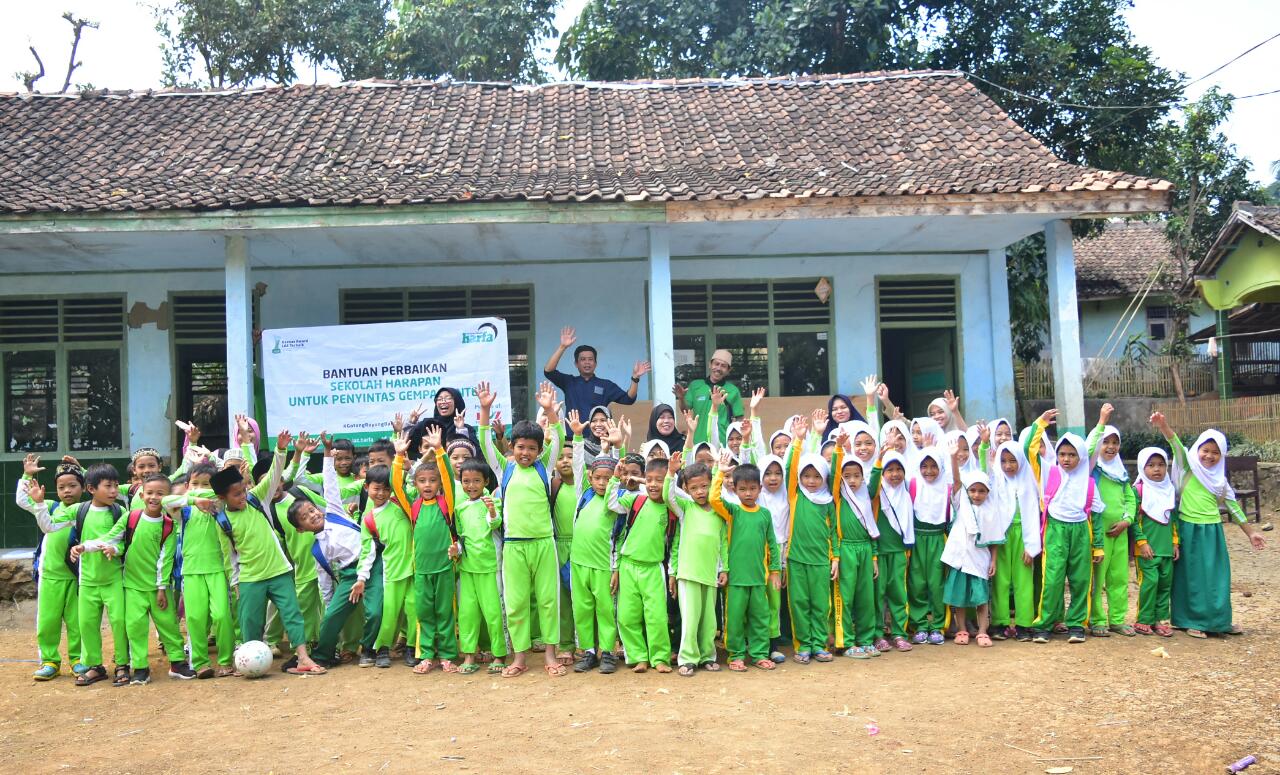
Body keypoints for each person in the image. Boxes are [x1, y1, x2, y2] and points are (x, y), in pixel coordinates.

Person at [209, 430, 325, 674]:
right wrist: (236, 583)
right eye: (237, 494)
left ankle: (303, 657)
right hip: (250, 578)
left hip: (280, 571)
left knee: (292, 614)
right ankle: (249, 663)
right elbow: (229, 556)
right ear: (222, 497)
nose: (243, 496)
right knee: (250, 622)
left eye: (243, 490)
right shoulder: (223, 520)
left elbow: (273, 477)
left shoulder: (256, 500)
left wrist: (281, 451)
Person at [478, 380, 566, 677]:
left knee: (547, 600)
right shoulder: (505, 469)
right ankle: (519, 658)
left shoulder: (544, 467)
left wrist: (550, 411)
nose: (525, 452)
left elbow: (561, 437)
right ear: (512, 448)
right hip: (514, 546)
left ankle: (551, 656)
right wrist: (485, 410)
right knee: (515, 604)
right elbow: (485, 442)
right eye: (520, 447)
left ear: (540, 450)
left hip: (544, 544)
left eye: (531, 448)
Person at [1151, 413, 1266, 637]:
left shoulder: (1219, 481)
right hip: (1188, 528)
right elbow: (1175, 444)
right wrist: (1164, 425)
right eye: (1205, 450)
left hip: (1212, 531)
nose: (1209, 456)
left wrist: (1251, 533)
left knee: (1217, 578)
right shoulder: (1188, 467)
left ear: (1222, 456)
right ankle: (1193, 621)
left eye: (1215, 452)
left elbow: (1233, 507)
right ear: (1197, 450)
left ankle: (1219, 621)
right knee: (1192, 578)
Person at [77, 473, 193, 683]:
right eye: (149, 493)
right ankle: (140, 668)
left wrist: (160, 588)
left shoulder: (168, 525)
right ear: (141, 494)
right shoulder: (131, 517)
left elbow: (165, 560)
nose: (154, 497)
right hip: (132, 586)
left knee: (168, 624)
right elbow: (109, 538)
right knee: (135, 627)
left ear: (167, 498)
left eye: (160, 494)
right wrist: (85, 547)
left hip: (159, 589)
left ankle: (177, 663)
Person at [306, 434, 385, 669]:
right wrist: (334, 606)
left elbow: (330, 484)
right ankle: (323, 655)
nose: (312, 515)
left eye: (311, 510)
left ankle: (369, 649)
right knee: (331, 617)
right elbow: (325, 583)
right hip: (350, 575)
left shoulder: (335, 513)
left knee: (375, 611)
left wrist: (328, 453)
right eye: (305, 518)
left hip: (372, 565)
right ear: (302, 529)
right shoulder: (317, 549)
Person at [1028, 410, 1104, 644]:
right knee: (1052, 579)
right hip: (1056, 531)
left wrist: (1098, 546)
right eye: (1062, 454)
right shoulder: (1048, 472)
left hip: (1081, 531)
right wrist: (1040, 424)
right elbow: (1029, 450)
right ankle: (1044, 625)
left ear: (1081, 457)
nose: (1067, 459)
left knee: (1081, 580)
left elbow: (1097, 516)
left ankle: (1077, 624)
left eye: (1072, 454)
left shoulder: (1089, 482)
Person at [392, 427, 460, 673]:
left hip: (444, 569)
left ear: (439, 483)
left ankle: (449, 655)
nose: (428, 484)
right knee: (425, 614)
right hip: (421, 570)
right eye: (422, 481)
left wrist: (440, 450)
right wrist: (399, 456)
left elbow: (450, 478)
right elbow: (395, 485)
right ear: (417, 484)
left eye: (432, 481)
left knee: (445, 613)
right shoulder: (414, 507)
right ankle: (427, 655)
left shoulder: (446, 503)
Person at [163, 461, 236, 678]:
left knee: (222, 616)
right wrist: (195, 500)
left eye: (206, 484)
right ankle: (201, 662)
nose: (201, 488)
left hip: (218, 570)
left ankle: (225, 661)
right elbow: (166, 500)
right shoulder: (183, 510)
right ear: (187, 486)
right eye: (195, 483)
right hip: (191, 571)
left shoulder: (220, 506)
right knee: (195, 618)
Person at [16, 457, 87, 681]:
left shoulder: (86, 510)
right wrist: (27, 475)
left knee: (78, 622)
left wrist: (83, 469)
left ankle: (78, 660)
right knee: (48, 620)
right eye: (61, 487)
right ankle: (49, 661)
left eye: (72, 485)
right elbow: (21, 500)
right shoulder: (49, 506)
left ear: (83, 487)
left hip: (77, 577)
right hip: (50, 576)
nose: (67, 491)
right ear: (55, 490)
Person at [709, 457, 782, 671]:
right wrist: (720, 474)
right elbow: (714, 500)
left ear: (760, 488)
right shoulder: (734, 511)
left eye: (752, 488)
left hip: (759, 578)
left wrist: (775, 571)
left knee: (760, 618)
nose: (748, 493)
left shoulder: (765, 514)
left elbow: (772, 544)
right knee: (735, 620)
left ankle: (759, 654)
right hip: (736, 579)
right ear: (736, 489)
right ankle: (736, 655)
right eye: (742, 489)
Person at [607, 455, 676, 673]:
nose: (654, 485)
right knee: (627, 616)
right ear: (644, 479)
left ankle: (660, 658)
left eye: (659, 480)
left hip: (653, 568)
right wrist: (615, 479)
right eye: (650, 479)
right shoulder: (636, 499)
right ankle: (638, 657)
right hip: (628, 566)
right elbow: (612, 503)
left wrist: (671, 476)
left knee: (656, 617)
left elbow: (673, 543)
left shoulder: (671, 507)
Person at [567, 410, 622, 674]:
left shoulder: (615, 502)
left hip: (603, 566)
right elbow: (579, 467)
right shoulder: (584, 495)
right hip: (579, 564)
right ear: (590, 478)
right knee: (582, 608)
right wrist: (577, 438)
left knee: (605, 610)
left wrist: (617, 449)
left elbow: (619, 475)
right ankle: (588, 650)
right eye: (597, 478)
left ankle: (609, 652)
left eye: (607, 479)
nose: (602, 482)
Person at [67, 464, 130, 686]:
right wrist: (37, 503)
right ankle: (95, 666)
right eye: (108, 486)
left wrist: (116, 549)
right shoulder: (80, 511)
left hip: (114, 579)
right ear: (91, 488)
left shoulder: (120, 512)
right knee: (87, 623)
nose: (114, 491)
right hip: (87, 581)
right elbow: (49, 523)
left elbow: (125, 542)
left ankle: (123, 663)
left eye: (115, 486)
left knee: (120, 621)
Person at [782, 417, 838, 664]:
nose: (812, 481)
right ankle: (803, 644)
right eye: (807, 476)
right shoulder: (795, 495)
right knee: (799, 604)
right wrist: (799, 440)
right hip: (796, 559)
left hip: (820, 561)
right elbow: (790, 469)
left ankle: (819, 643)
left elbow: (834, 533)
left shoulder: (828, 502)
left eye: (817, 476)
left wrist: (835, 557)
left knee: (820, 605)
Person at [668, 453, 728, 676]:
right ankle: (687, 657)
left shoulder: (718, 512)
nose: (700, 491)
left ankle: (707, 656)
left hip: (710, 573)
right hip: (688, 573)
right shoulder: (686, 509)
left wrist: (724, 568)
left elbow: (723, 543)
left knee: (709, 620)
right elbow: (669, 495)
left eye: (705, 486)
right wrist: (671, 473)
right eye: (695, 488)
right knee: (690, 618)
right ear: (687, 489)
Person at [1085, 403, 1137, 637]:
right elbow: (1087, 450)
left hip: (1121, 533)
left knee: (1119, 578)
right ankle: (1096, 620)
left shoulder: (1121, 471)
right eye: (1106, 442)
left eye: (1115, 443)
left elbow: (1130, 498)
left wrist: (1127, 520)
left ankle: (1117, 619)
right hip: (1099, 533)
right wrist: (1101, 422)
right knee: (1098, 579)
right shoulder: (1092, 468)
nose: (1111, 447)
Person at [452, 456, 507, 674]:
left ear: (485, 481)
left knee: (494, 612)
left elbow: (496, 523)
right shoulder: (460, 509)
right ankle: (468, 656)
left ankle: (499, 655)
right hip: (467, 569)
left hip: (490, 567)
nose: (471, 486)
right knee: (467, 614)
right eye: (466, 481)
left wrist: (492, 510)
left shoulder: (493, 502)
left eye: (476, 481)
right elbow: (461, 539)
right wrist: (455, 550)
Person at [829, 438, 881, 659]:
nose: (852, 480)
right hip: (846, 550)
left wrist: (875, 557)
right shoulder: (838, 497)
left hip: (865, 550)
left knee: (865, 598)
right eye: (847, 476)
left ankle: (866, 639)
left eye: (856, 476)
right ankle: (846, 641)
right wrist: (839, 449)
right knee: (846, 597)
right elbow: (833, 474)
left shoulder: (866, 498)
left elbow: (872, 529)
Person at [544, 326, 648, 434]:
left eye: (590, 359)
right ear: (576, 364)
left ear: (595, 363)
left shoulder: (605, 385)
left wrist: (635, 378)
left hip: (599, 439)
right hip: (573, 439)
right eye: (583, 359)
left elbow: (628, 399)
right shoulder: (569, 382)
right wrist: (562, 347)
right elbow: (548, 371)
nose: (587, 362)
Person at [940, 468, 1001, 647]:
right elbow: (957, 482)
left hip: (980, 561)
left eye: (982, 491)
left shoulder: (991, 512)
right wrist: (953, 460)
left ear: (988, 492)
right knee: (959, 598)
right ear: (966, 492)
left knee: (981, 598)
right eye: (972, 490)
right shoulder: (962, 505)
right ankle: (961, 629)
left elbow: (994, 539)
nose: (976, 495)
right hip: (960, 559)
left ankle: (982, 632)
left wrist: (993, 561)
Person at [988, 441, 1042, 642]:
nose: (1008, 466)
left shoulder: (1029, 482)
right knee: (1000, 580)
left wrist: (1032, 546)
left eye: (1012, 461)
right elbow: (986, 476)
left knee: (1023, 580)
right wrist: (987, 451)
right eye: (1003, 461)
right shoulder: (997, 480)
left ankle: (1024, 624)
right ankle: (1000, 623)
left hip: (1024, 535)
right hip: (1002, 536)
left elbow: (1034, 515)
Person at [867, 449, 914, 653]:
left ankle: (899, 633)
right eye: (890, 470)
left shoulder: (906, 495)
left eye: (899, 469)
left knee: (898, 593)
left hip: (898, 552)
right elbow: (871, 487)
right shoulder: (878, 494)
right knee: (877, 594)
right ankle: (877, 634)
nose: (894, 474)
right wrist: (878, 462)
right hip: (879, 551)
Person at [1131, 447, 1179, 637]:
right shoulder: (1138, 490)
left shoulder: (1169, 490)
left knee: (1165, 584)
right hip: (1146, 550)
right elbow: (1133, 520)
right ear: (1142, 467)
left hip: (1166, 548)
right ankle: (1144, 619)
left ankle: (1160, 620)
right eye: (1150, 465)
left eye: (1161, 465)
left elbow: (1173, 519)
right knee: (1150, 582)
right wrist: (1142, 543)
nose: (1157, 469)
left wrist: (1175, 542)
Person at [907, 447, 950, 645]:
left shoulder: (946, 488)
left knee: (937, 583)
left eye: (934, 466)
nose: (929, 471)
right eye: (924, 466)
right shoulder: (914, 484)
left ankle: (938, 625)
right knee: (917, 583)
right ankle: (920, 624)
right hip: (917, 539)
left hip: (938, 538)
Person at [677, 349, 744, 446]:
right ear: (710, 364)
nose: (718, 368)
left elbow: (739, 418)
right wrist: (681, 398)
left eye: (723, 366)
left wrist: (735, 441)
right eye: (716, 364)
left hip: (722, 442)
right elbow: (685, 410)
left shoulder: (733, 390)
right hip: (698, 441)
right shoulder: (696, 386)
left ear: (728, 370)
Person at [405, 387, 478, 459]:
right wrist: (411, 423)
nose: (443, 401)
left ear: (457, 402)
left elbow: (474, 455)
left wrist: (460, 430)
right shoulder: (426, 424)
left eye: (448, 398)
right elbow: (407, 447)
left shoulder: (466, 429)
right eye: (439, 399)